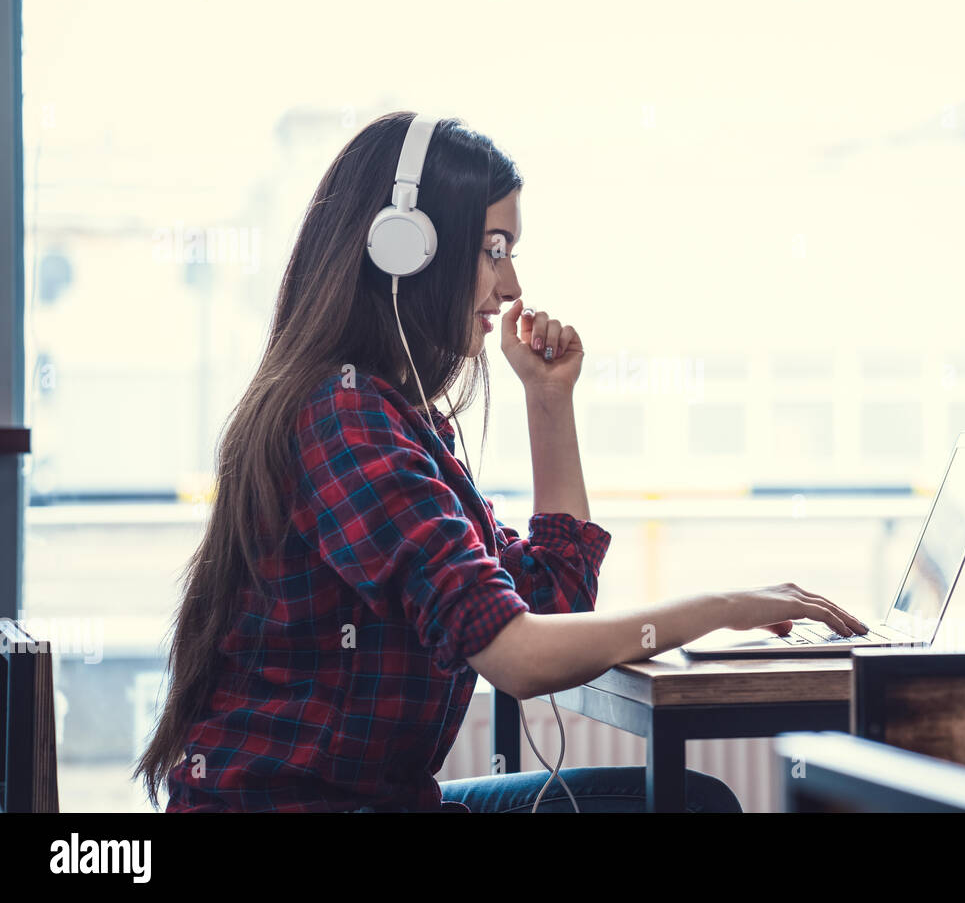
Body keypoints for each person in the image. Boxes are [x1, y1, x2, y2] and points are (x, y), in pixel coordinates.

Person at [133, 112, 869, 813]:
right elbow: (517, 655)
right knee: (692, 804)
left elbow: (553, 601)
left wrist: (549, 402)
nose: (511, 285)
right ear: (405, 247)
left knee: (685, 801)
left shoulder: (396, 421)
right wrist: (727, 607)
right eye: (493, 248)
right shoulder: (342, 418)